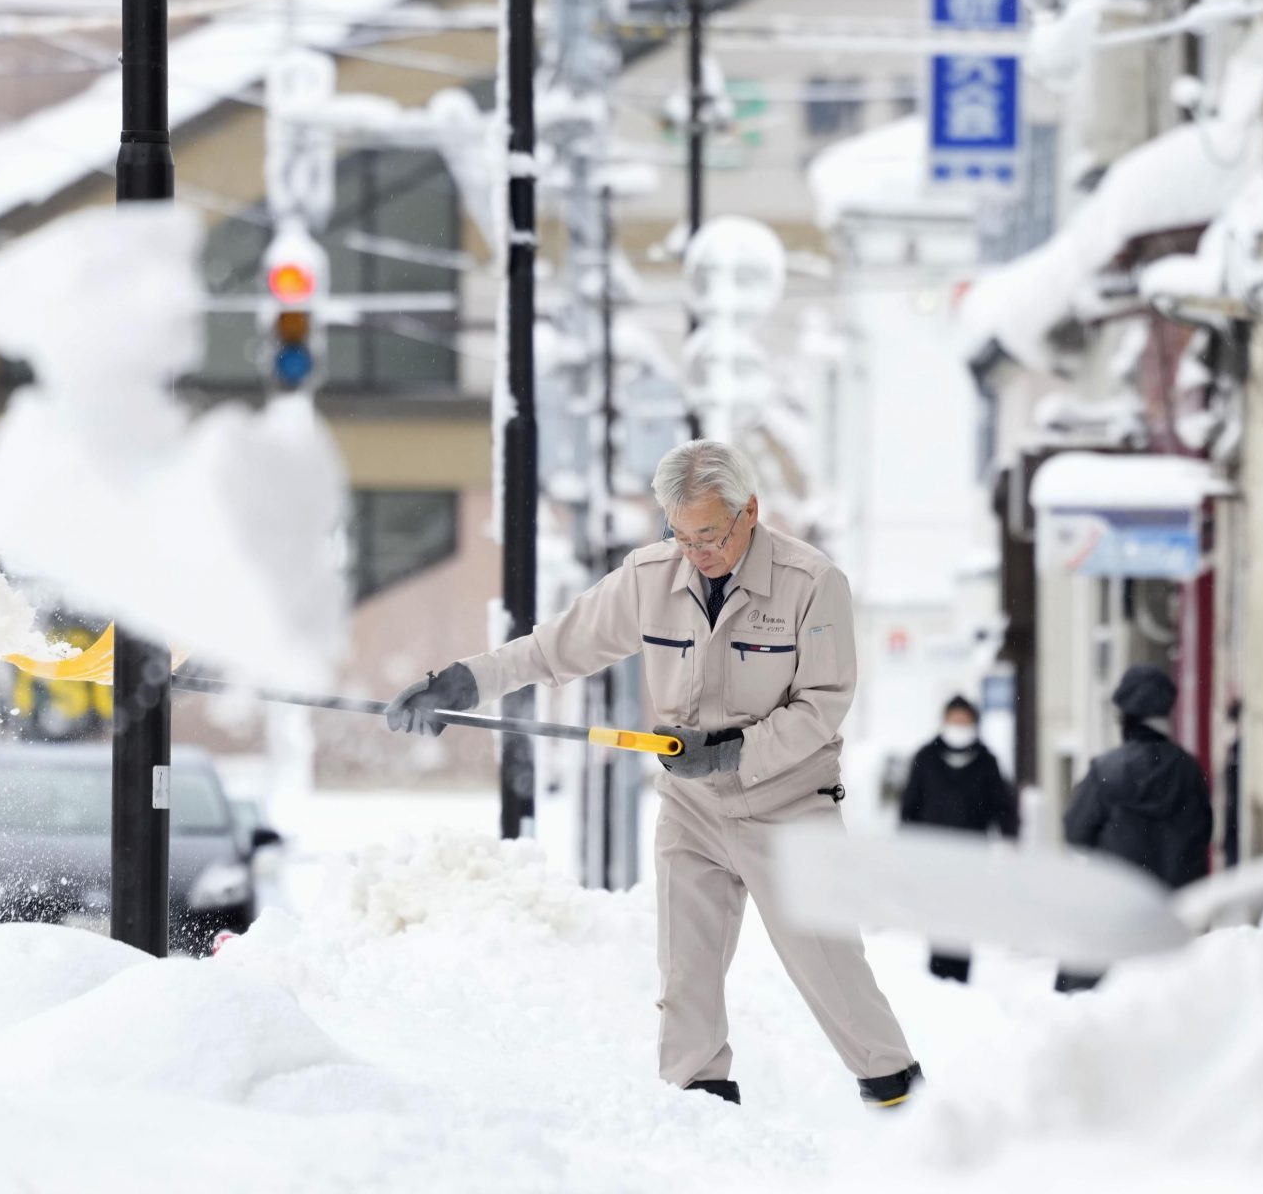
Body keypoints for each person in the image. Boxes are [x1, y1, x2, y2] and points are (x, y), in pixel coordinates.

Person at [386, 440, 923, 1110]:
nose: (695, 553)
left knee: (829, 971)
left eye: (709, 536)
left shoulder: (813, 583)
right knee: (685, 981)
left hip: (787, 806)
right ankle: (699, 1116)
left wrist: (732, 750)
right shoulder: (649, 578)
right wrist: (464, 683)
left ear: (749, 512)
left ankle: (902, 1101)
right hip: (691, 809)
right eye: (680, 534)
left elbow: (822, 706)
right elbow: (554, 650)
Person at [1058, 666, 1212, 992]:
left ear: (1126, 717)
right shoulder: (1189, 771)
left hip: (1117, 908)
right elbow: (1203, 835)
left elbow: (1075, 831)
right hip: (1174, 914)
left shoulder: (1105, 770)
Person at [898, 694, 1018, 982]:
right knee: (938, 915)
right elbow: (909, 808)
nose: (959, 726)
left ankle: (960, 974)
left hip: (971, 855)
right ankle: (938, 972)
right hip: (933, 855)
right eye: (954, 721)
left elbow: (1003, 807)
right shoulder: (925, 758)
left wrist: (1009, 839)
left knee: (963, 916)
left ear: (974, 723)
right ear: (944, 722)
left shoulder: (986, 761)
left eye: (965, 721)